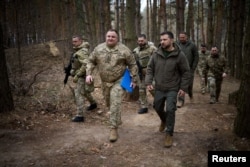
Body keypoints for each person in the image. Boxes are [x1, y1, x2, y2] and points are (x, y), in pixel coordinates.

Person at [86, 29, 138, 142]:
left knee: (115, 102)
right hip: (104, 82)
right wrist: (88, 74)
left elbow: (133, 64)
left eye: (113, 37)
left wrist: (134, 80)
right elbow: (90, 61)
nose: (110, 38)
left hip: (119, 80)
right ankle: (116, 119)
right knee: (109, 103)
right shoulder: (98, 49)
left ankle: (113, 128)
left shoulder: (124, 50)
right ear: (106, 37)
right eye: (108, 36)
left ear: (117, 38)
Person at [145, 31, 190, 148]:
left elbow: (186, 72)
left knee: (170, 109)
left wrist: (183, 87)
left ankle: (169, 134)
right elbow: (150, 68)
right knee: (157, 107)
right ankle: (164, 120)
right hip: (159, 87)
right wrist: (148, 82)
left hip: (172, 88)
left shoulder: (179, 55)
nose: (162, 42)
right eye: (161, 40)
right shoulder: (156, 53)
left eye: (164, 40)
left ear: (172, 40)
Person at [70, 35, 97, 122]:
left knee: (78, 94)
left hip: (82, 76)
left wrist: (77, 75)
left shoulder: (82, 52)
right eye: (73, 41)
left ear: (81, 41)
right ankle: (93, 104)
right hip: (83, 75)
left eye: (76, 41)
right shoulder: (80, 50)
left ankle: (80, 115)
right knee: (84, 92)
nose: (74, 43)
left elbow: (86, 64)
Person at [133, 34, 157, 114]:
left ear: (146, 40)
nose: (140, 42)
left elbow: (157, 60)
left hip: (151, 73)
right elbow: (133, 63)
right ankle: (144, 106)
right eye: (139, 41)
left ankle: (158, 102)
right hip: (140, 73)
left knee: (152, 88)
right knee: (141, 90)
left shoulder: (152, 49)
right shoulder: (135, 50)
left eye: (142, 41)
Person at [176, 32, 199, 107]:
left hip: (189, 69)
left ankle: (190, 94)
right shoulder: (177, 45)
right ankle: (180, 100)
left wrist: (193, 68)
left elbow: (196, 57)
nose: (181, 39)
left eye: (183, 37)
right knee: (181, 84)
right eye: (180, 37)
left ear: (186, 37)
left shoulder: (192, 45)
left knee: (189, 85)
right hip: (179, 68)